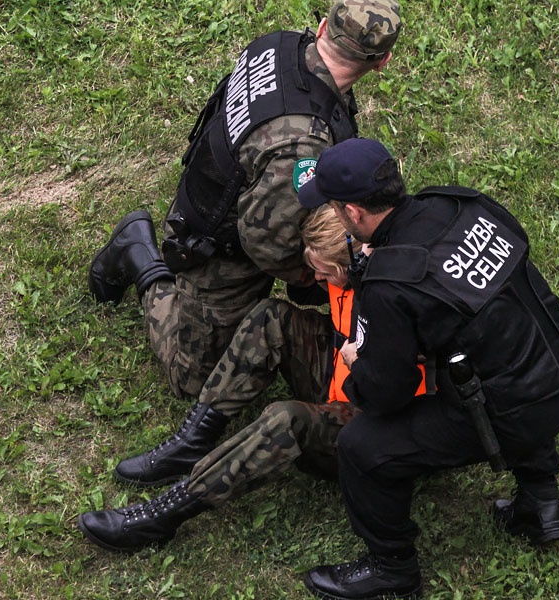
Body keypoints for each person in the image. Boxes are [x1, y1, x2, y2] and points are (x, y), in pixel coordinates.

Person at [87, 0, 402, 488]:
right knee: (191, 377)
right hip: (221, 249)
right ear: (381, 62)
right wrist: (313, 276)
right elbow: (263, 239)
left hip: (218, 196)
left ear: (322, 27)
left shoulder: (282, 47)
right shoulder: (300, 145)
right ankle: (140, 256)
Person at [295, 138, 559, 600]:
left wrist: (357, 365)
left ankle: (391, 569)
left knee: (361, 446)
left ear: (353, 214)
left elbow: (385, 395)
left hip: (519, 410)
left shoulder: (390, 281)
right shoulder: (458, 201)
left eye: (333, 208)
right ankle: (540, 502)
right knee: (495, 355)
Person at [77, 206, 427, 552]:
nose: (318, 281)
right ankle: (194, 438)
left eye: (324, 274)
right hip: (341, 372)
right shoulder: (352, 266)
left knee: (286, 419)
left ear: (351, 267)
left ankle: (164, 513)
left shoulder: (390, 304)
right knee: (270, 317)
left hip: (372, 426)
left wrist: (360, 364)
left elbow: (393, 398)